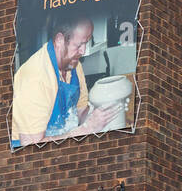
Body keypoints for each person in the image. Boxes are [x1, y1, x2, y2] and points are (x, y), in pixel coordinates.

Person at [11, 15, 117, 147]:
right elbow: (31, 147)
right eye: (79, 44)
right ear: (60, 40)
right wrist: (86, 129)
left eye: (87, 42)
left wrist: (98, 116)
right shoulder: (36, 79)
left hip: (59, 139)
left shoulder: (74, 65)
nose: (83, 51)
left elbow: (81, 112)